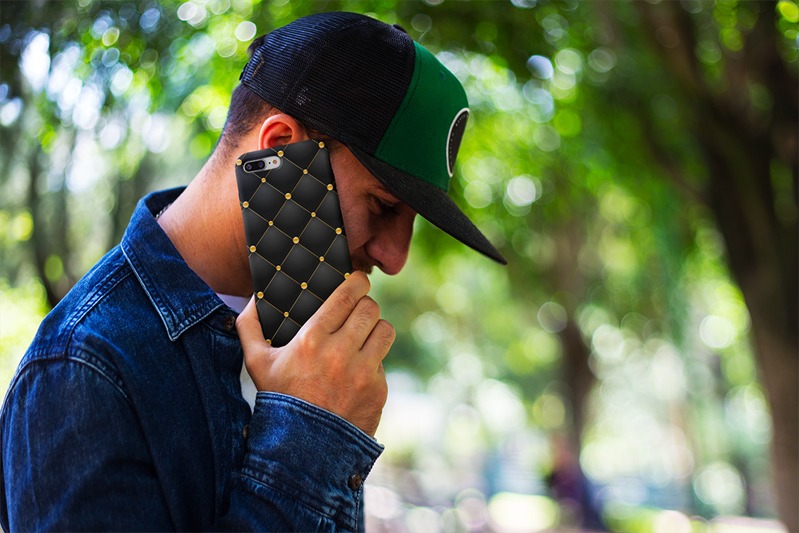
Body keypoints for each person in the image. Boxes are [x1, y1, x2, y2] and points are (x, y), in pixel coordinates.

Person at [0, 12, 506, 531]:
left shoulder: (304, 332)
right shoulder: (82, 368)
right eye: (382, 205)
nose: (395, 258)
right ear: (281, 148)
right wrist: (309, 433)